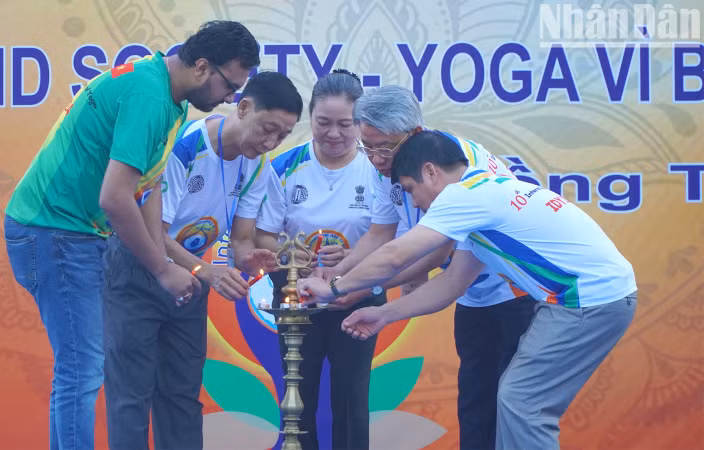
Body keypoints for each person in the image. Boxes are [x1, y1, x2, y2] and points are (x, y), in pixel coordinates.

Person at [3, 20, 260, 450]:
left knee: (83, 368)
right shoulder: (149, 96)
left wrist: (167, 256)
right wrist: (161, 269)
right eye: (229, 86)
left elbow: (149, 185)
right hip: (53, 231)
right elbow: (115, 198)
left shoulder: (169, 96)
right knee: (82, 370)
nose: (231, 99)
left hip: (75, 233)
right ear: (201, 67)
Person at [299, 130, 638, 450]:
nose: (415, 204)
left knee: (522, 402)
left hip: (588, 300)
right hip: (591, 297)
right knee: (514, 398)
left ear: (430, 172)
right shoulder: (484, 196)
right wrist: (383, 313)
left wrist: (333, 287)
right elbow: (451, 283)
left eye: (410, 189)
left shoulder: (464, 197)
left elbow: (396, 254)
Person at [314, 85, 535, 449]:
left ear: (414, 133)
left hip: (515, 290)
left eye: (384, 147)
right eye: (367, 147)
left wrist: (355, 286)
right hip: (472, 294)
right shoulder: (386, 165)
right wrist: (340, 277)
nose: (376, 159)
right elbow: (379, 235)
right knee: (475, 404)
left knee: (513, 406)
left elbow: (432, 253)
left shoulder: (456, 167)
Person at [102, 71, 303, 450]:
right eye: (268, 129)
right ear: (243, 108)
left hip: (190, 277)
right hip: (138, 267)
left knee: (181, 395)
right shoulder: (185, 146)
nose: (271, 142)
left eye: (282, 136)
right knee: (131, 396)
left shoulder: (258, 164)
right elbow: (153, 234)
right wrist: (205, 270)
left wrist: (250, 259)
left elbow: (241, 242)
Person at [254, 69, 384, 450]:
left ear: (361, 124)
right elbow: (261, 236)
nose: (333, 134)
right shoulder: (284, 167)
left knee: (351, 397)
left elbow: (390, 238)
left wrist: (351, 260)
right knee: (298, 397)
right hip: (298, 297)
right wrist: (287, 253)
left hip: (356, 296)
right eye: (323, 122)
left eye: (346, 124)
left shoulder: (378, 169)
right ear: (308, 118)